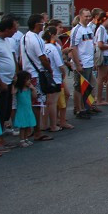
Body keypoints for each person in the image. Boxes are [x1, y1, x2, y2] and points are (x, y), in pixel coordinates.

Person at [19, 14, 52, 143]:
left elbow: (21, 57)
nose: (43, 26)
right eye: (42, 24)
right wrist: (49, 69)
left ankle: (29, 130)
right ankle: (37, 131)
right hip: (36, 74)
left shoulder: (24, 37)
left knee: (29, 104)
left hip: (27, 73)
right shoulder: (36, 39)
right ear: (37, 25)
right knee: (37, 104)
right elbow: (42, 57)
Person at [69, 8, 96, 119]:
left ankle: (87, 106)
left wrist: (93, 61)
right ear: (80, 16)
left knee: (89, 86)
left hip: (89, 62)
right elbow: (73, 48)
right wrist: (78, 64)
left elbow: (91, 46)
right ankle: (78, 109)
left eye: (89, 16)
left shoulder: (89, 28)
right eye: (86, 16)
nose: (88, 18)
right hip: (82, 63)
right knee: (79, 88)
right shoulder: (77, 30)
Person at [41, 28, 66, 133]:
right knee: (52, 103)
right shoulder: (53, 48)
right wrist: (63, 73)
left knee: (47, 102)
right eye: (56, 35)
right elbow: (60, 65)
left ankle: (43, 124)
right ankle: (53, 125)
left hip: (45, 77)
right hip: (55, 77)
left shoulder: (43, 47)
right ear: (52, 35)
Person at [94, 12, 108, 105]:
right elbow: (100, 44)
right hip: (103, 55)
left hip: (106, 55)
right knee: (101, 77)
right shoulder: (101, 29)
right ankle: (99, 99)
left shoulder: (106, 29)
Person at [13, 71, 37, 147]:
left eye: (29, 79)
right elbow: (13, 92)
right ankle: (22, 140)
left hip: (28, 109)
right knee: (23, 126)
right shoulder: (18, 89)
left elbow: (34, 96)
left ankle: (26, 138)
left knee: (27, 125)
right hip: (21, 109)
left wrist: (33, 89)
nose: (29, 81)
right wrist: (14, 83)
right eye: (27, 79)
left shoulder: (29, 89)